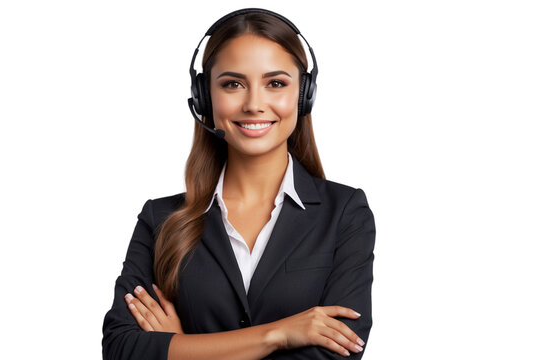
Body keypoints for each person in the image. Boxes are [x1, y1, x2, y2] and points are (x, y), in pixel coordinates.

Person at [102, 8, 376, 360]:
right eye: (232, 84)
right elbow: (122, 350)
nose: (254, 104)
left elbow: (339, 352)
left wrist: (181, 348)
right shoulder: (159, 219)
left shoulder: (345, 214)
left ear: (304, 94)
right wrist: (278, 335)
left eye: (275, 83)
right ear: (204, 97)